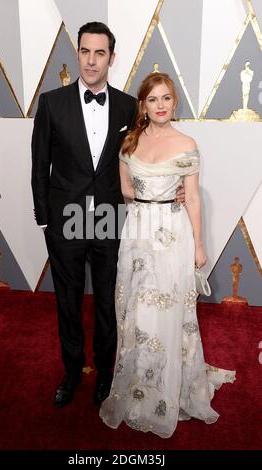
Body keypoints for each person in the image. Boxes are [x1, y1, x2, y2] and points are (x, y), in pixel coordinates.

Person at [31, 23, 185, 409]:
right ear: (78, 53)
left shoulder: (127, 106)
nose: (91, 60)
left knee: (106, 303)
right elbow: (39, 165)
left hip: (110, 218)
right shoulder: (51, 103)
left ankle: (105, 374)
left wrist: (172, 186)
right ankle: (71, 370)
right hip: (65, 220)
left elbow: (149, 149)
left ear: (111, 58)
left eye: (100, 53)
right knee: (66, 301)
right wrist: (45, 220)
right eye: (85, 51)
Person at [100, 72, 235, 438]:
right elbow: (127, 189)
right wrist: (152, 197)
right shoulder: (129, 142)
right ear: (143, 105)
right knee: (136, 309)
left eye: (167, 98)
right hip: (138, 234)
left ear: (174, 103)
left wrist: (200, 244)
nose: (161, 105)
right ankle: (139, 387)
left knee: (170, 308)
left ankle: (170, 388)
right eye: (153, 99)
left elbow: (191, 197)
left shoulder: (187, 143)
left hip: (174, 237)